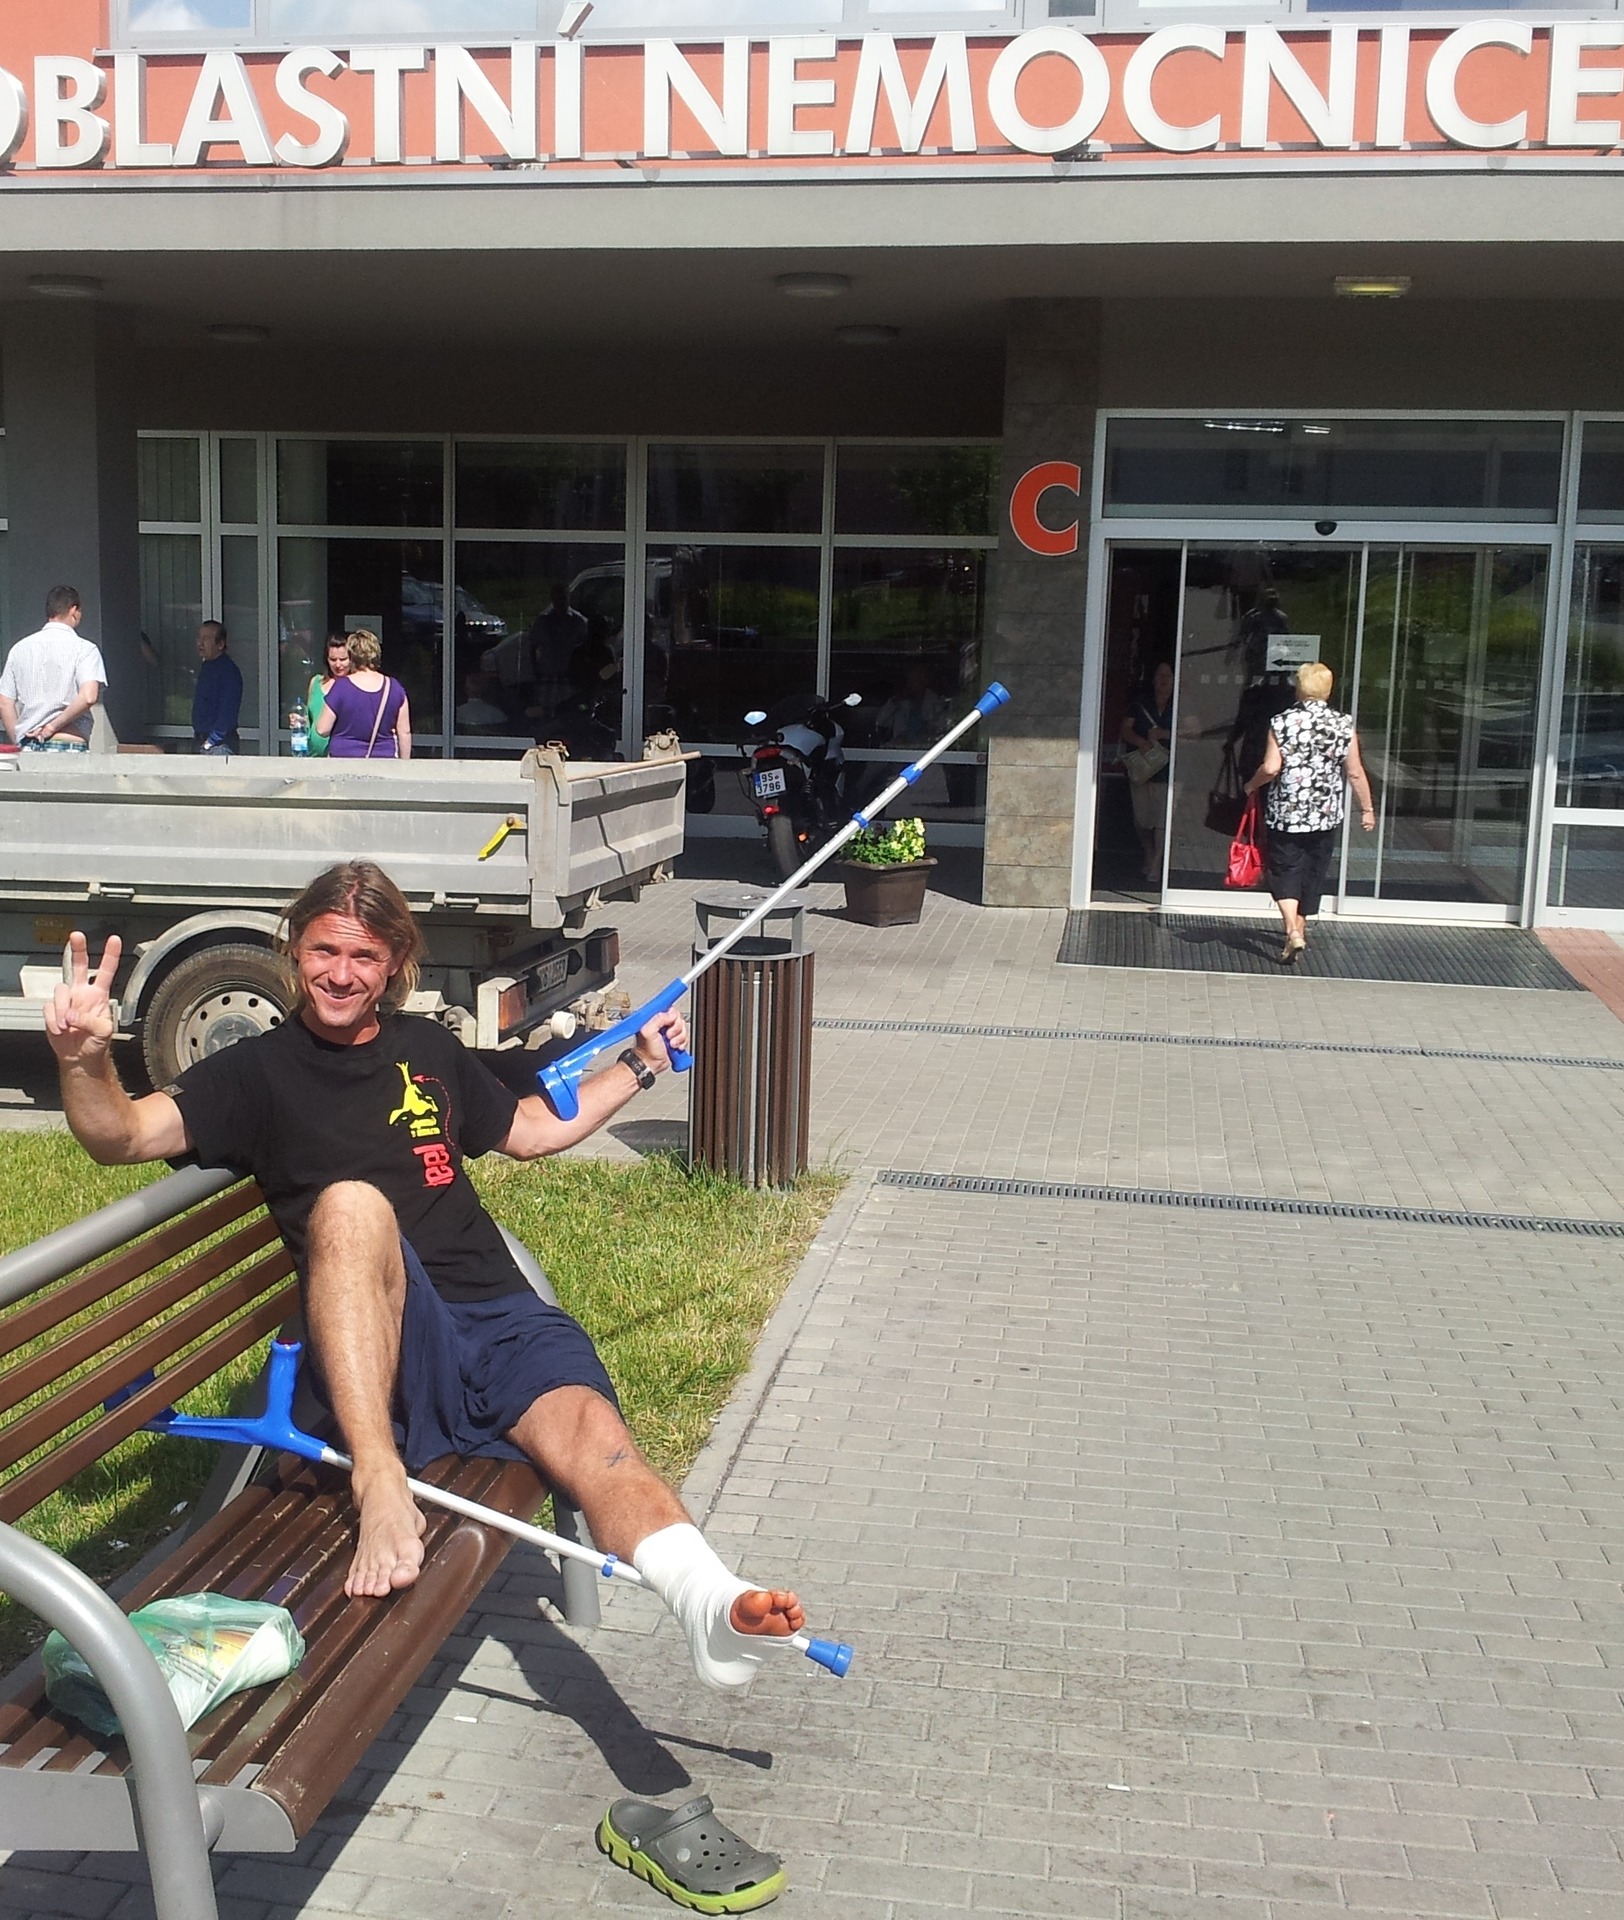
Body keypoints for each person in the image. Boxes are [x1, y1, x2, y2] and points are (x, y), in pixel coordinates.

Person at [44, 861, 806, 1693]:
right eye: (325, 950)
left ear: (396, 964)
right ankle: (381, 1484)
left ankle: (708, 1603)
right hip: (386, 1347)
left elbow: (527, 1130)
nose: (341, 974)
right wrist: (84, 1060)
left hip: (497, 1313)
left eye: (364, 957)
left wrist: (641, 1065)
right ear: (295, 949)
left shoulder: (428, 1050)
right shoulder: (254, 1072)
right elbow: (121, 1136)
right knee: (351, 1205)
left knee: (594, 1433)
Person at [1243, 660, 1376, 963]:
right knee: (1311, 874)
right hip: (1325, 816)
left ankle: (1292, 930)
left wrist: (1251, 785)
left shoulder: (1282, 722)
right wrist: (1367, 809)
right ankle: (1297, 931)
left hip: (1286, 814)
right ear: (1328, 689)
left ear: (1300, 688)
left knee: (1285, 871)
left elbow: (1271, 767)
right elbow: (1355, 772)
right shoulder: (1343, 724)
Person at [0, 586, 106, 752]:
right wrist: (52, 726)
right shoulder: (85, 649)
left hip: (28, 744)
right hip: (69, 741)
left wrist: (18, 740)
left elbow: (4, 702)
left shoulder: (19, 649)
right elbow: (88, 696)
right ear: (73, 610)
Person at [316, 630, 411, 760]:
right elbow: (404, 732)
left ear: (351, 655)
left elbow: (322, 729)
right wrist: (405, 765)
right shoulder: (394, 688)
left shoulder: (341, 687)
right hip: (383, 761)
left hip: (343, 761)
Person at [1120, 661, 1175, 884]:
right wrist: (1140, 742)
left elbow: (1194, 731)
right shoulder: (1140, 703)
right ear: (1152, 679)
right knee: (1141, 820)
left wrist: (1164, 734)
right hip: (1142, 769)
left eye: (1168, 675)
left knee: (1162, 821)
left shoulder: (1180, 703)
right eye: (1160, 675)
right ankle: (1149, 851)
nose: (1164, 680)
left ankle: (1156, 864)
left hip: (1168, 770)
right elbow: (1125, 729)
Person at [524, 583, 588, 734]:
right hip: (547, 676)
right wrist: (535, 672)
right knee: (545, 715)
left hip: (569, 677)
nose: (560, 601)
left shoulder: (578, 622)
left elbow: (585, 649)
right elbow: (532, 647)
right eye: (556, 597)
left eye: (563, 597)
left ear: (568, 598)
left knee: (567, 714)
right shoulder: (542, 621)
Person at [192, 620, 244, 756]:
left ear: (220, 644)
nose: (200, 643)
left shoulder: (228, 671)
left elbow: (228, 711)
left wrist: (211, 741)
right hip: (202, 739)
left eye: (206, 639)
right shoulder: (207, 666)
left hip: (219, 745)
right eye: (199, 637)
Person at [304, 633, 353, 760]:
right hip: (313, 757)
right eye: (333, 659)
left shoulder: (354, 687)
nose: (338, 664)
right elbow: (310, 718)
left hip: (339, 758)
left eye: (343, 659)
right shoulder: (316, 682)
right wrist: (300, 721)